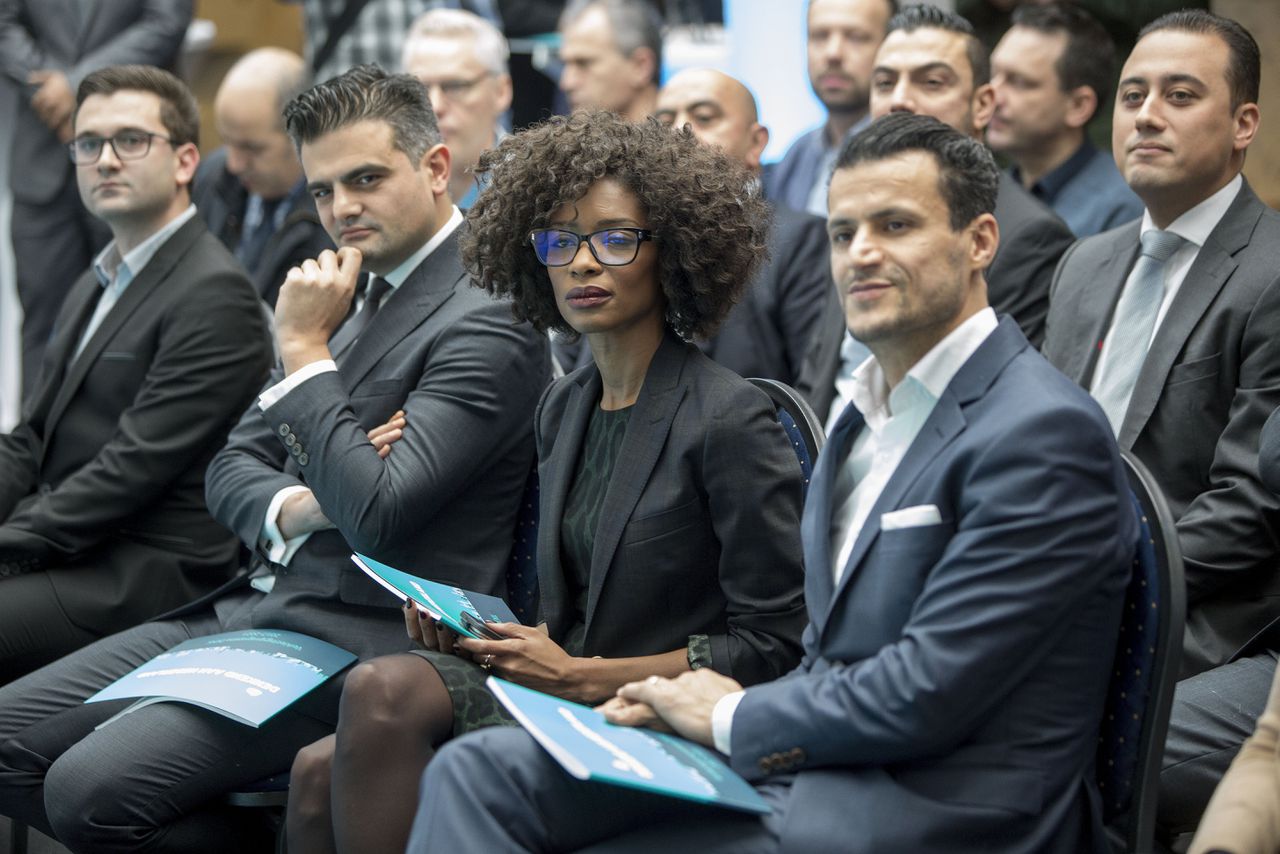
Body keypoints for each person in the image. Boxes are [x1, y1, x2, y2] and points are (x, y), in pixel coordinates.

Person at [407, 112, 1138, 854]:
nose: (863, 254)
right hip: (805, 766)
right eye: (843, 233)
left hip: (938, 808)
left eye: (895, 225)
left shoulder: (1041, 431)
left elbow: (927, 691)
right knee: (477, 773)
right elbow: (826, 654)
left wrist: (721, 715)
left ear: (980, 241)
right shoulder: (863, 418)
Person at [0, 64, 549, 852]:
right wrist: (308, 501)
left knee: (85, 789)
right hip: (252, 608)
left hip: (362, 641)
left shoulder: (485, 316)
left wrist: (302, 350)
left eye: (364, 179)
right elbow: (231, 469)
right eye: (323, 191)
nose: (341, 209)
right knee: (8, 742)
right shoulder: (350, 289)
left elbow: (381, 515)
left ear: (434, 168)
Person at [283, 109, 808, 854]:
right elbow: (565, 602)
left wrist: (581, 674)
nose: (584, 264)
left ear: (676, 252)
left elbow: (773, 645)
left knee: (382, 690)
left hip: (655, 714)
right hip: (563, 690)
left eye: (616, 239)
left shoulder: (729, 419)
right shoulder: (566, 402)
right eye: (561, 242)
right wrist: (478, 632)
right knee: (314, 773)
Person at [1040, 9, 1280, 836]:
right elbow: (1032, 453)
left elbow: (1252, 508)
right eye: (1133, 94)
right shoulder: (1085, 263)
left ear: (1244, 123)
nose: (1146, 114)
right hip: (1054, 593)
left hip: (1198, 620)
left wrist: (1096, 587)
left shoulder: (1274, 273)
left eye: (1180, 95)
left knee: (1042, 743)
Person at [0, 65, 272, 683]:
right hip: (77, 548)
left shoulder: (215, 294)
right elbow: (30, 438)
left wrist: (7, 542)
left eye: (130, 140)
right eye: (88, 143)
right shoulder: (97, 277)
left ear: (184, 162)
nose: (104, 160)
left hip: (143, 572)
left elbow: (127, 472)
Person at [797, 3, 1075, 427]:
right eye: (885, 82)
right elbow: (816, 380)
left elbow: (994, 407)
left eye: (931, 82)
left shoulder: (1029, 236)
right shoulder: (853, 220)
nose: (900, 100)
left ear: (983, 105)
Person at [0, 0, 193, 399]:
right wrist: (48, 88)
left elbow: (166, 21)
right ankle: (36, 452)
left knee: (137, 314)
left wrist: (76, 87)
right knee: (42, 322)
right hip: (41, 155)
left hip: (133, 156)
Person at [649, 67, 830, 384]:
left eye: (704, 117)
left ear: (756, 143)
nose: (680, 132)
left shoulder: (799, 240)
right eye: (664, 123)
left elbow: (813, 389)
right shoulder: (633, 242)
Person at [987, 3, 1142, 238]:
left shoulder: (1121, 209)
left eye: (1019, 82)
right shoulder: (990, 194)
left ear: (1078, 106)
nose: (992, 96)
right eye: (993, 75)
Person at [193, 47, 333, 306]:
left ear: (302, 134)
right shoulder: (212, 178)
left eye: (251, 148)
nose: (234, 164)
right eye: (227, 142)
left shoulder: (336, 214)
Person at [764, 0, 894, 217]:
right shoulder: (796, 156)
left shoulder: (909, 154)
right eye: (820, 36)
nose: (833, 53)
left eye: (856, 37)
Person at [401, 8, 512, 209]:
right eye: (419, 88)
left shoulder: (539, 189)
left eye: (455, 86)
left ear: (501, 91)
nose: (435, 106)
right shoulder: (391, 194)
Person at [558, 0, 662, 122]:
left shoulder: (683, 136)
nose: (567, 83)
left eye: (583, 63)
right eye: (565, 64)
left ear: (641, 66)